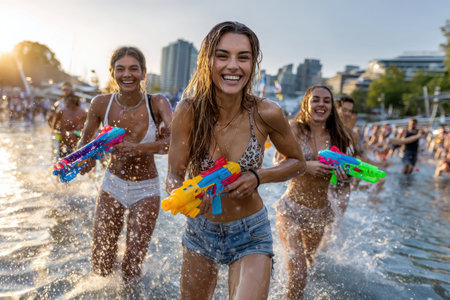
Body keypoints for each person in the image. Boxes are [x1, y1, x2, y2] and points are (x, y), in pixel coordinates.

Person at [166, 21, 306, 300]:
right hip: (200, 231)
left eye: (243, 57)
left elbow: (298, 163)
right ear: (208, 61)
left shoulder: (267, 112)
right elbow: (173, 174)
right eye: (222, 56)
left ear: (253, 64)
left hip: (250, 233)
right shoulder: (188, 111)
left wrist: (257, 177)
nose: (233, 66)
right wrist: (180, 195)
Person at [78, 46, 173, 284]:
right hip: (113, 185)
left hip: (146, 189)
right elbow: (85, 141)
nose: (127, 74)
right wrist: (83, 159)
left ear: (143, 74)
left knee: (132, 267)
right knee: (101, 262)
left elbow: (177, 141)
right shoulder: (100, 103)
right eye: (120, 69)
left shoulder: (158, 103)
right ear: (112, 73)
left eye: (133, 69)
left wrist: (139, 148)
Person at [273, 85, 352, 300]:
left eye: (326, 101)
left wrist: (344, 177)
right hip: (290, 209)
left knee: (309, 265)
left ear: (331, 107)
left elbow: (344, 182)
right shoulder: (294, 129)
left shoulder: (339, 137)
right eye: (316, 99)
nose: (321, 104)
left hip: (319, 215)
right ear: (306, 103)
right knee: (298, 275)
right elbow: (278, 165)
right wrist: (305, 166)